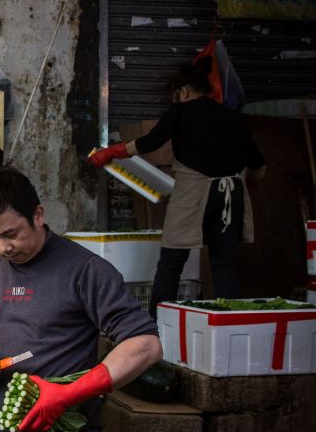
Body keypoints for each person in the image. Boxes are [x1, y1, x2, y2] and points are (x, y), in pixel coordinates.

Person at [0, 168, 162, 432]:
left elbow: (146, 345)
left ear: (38, 215)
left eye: (11, 234)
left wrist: (68, 393)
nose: (2, 248)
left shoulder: (85, 270)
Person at [89, 59, 265, 314]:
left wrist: (112, 152)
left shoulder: (180, 112)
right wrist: (251, 184)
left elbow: (149, 142)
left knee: (172, 260)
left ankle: (156, 325)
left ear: (183, 92)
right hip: (231, 194)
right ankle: (230, 322)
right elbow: (258, 163)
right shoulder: (234, 117)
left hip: (193, 192)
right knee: (224, 262)